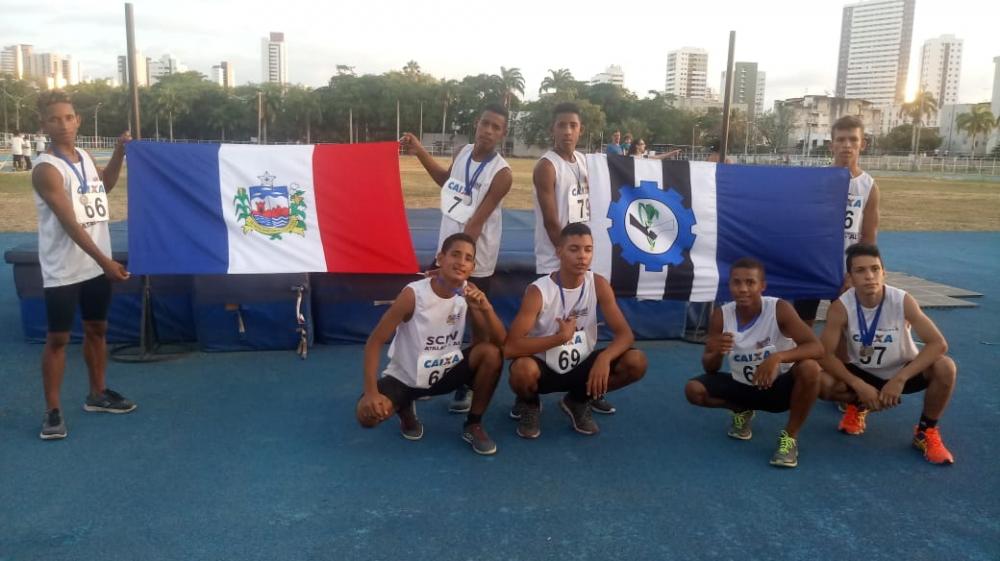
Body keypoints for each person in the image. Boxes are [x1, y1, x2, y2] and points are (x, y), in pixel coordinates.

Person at [31, 90, 134, 440]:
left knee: (97, 330)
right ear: (43, 124)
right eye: (54, 119)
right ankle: (53, 411)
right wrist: (106, 261)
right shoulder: (46, 169)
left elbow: (102, 188)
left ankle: (97, 394)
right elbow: (69, 222)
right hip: (64, 267)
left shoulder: (85, 156)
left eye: (68, 117)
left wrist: (119, 153)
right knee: (58, 338)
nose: (63, 125)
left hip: (95, 265)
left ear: (78, 120)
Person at [399, 103, 513, 414]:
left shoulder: (502, 173)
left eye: (496, 127)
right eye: (485, 124)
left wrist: (453, 265)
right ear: (477, 123)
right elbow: (445, 182)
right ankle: (428, 377)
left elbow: (476, 223)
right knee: (436, 317)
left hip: (475, 258)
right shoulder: (462, 151)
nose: (488, 131)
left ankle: (467, 384)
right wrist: (420, 150)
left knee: (477, 324)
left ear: (502, 134)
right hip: (450, 252)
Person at [356, 233, 507, 455]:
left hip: (446, 374)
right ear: (440, 258)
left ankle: (474, 423)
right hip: (406, 378)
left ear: (472, 266)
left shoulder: (469, 294)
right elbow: (374, 341)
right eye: (455, 254)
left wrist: (485, 309)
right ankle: (404, 407)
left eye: (467, 258)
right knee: (366, 417)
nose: (461, 262)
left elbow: (498, 341)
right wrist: (370, 392)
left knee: (491, 354)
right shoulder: (413, 294)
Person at [817, 244, 957, 465]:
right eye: (860, 270)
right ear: (850, 278)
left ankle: (925, 431)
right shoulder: (841, 307)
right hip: (862, 373)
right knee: (819, 380)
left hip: (902, 371)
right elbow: (823, 355)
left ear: (884, 272)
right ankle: (858, 404)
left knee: (945, 367)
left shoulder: (902, 300)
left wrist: (899, 379)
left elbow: (938, 344)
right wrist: (858, 385)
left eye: (875, 269)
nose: (869, 276)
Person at [505, 223, 647, 438]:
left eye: (588, 249)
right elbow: (510, 348)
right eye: (574, 249)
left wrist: (605, 358)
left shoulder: (598, 284)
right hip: (543, 367)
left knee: (636, 361)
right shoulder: (539, 291)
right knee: (522, 370)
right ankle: (530, 403)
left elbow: (625, 334)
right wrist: (559, 338)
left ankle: (578, 400)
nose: (582, 256)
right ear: (559, 252)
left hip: (582, 365)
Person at [684, 258, 824, 467]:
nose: (742, 289)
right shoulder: (721, 315)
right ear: (729, 285)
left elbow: (817, 348)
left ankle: (790, 437)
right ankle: (741, 410)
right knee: (693, 390)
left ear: (762, 286)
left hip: (779, 389)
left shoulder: (779, 309)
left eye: (750, 283)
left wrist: (777, 357)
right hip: (743, 386)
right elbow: (710, 368)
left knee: (811, 368)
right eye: (736, 283)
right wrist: (717, 353)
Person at [532, 102, 616, 414]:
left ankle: (583, 390)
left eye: (573, 125)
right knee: (545, 327)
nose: (567, 131)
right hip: (555, 256)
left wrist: (584, 253)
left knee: (580, 323)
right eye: (561, 125)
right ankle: (527, 393)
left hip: (578, 254)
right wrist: (564, 254)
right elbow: (551, 219)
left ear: (581, 130)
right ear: (552, 129)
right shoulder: (546, 166)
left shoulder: (583, 161)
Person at [793, 115, 880, 325]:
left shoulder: (868, 186)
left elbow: (868, 238)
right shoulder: (815, 180)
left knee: (843, 327)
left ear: (863, 144)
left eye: (853, 139)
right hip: (813, 266)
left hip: (844, 269)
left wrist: (854, 272)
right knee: (801, 325)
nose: (846, 145)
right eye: (840, 140)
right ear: (831, 145)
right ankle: (802, 358)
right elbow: (799, 225)